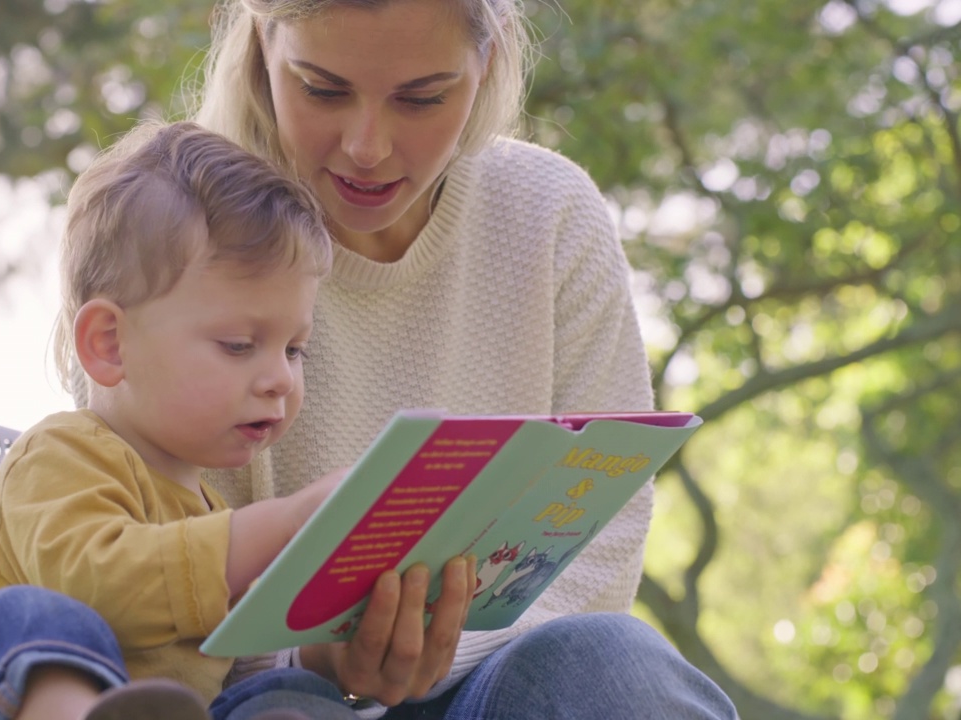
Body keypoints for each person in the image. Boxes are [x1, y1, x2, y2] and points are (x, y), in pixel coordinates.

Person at [190, 0, 741, 717]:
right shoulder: (176, 228)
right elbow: (149, 585)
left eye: (422, 98)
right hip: (277, 691)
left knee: (618, 666)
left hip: (513, 676)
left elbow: (601, 552)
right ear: (263, 42)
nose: (367, 146)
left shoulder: (547, 213)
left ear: (490, 56)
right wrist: (317, 659)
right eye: (322, 89)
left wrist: (432, 645)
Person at [0, 121, 474, 720]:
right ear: (110, 344)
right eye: (239, 344)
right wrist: (287, 525)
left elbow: (232, 664)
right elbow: (99, 585)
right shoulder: (59, 455)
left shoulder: (208, 511)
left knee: (277, 698)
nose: (281, 379)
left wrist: (325, 654)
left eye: (295, 349)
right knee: (30, 617)